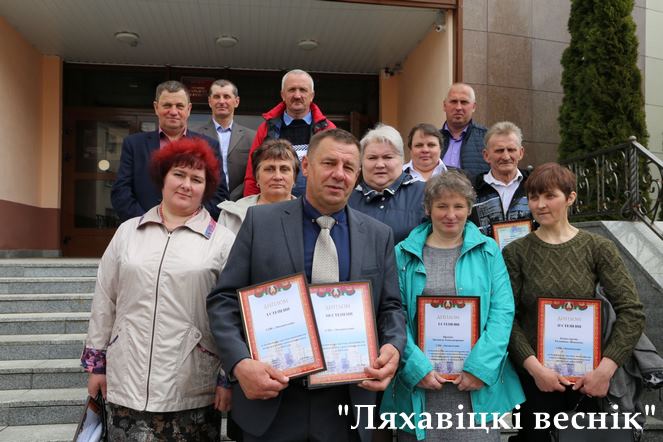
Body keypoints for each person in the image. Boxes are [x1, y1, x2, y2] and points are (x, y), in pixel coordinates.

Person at [207, 128, 406, 442]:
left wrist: (393, 347)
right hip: (273, 403)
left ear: (357, 176)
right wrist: (240, 364)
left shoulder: (378, 235)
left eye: (348, 167)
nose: (339, 174)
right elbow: (224, 300)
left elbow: (391, 307)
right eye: (329, 163)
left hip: (347, 406)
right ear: (307, 166)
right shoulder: (260, 223)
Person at [83, 138, 236, 439]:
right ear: (162, 177)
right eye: (179, 174)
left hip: (192, 386)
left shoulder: (222, 241)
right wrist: (97, 366)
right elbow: (105, 300)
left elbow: (232, 314)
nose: (186, 185)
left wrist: (226, 377)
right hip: (126, 380)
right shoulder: (128, 232)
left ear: (206, 188)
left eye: (197, 179)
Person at [503, 163, 645, 441]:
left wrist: (605, 370)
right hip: (535, 383)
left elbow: (632, 311)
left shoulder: (597, 247)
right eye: (533, 197)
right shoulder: (516, 252)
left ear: (570, 198)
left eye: (550, 196)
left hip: (589, 382)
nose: (540, 205)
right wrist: (535, 369)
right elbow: (506, 317)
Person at [381, 170, 524, 441]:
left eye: (458, 206)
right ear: (428, 209)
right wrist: (416, 367)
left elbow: (502, 312)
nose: (450, 214)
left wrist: (480, 368)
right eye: (442, 206)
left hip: (475, 387)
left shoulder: (489, 250)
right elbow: (395, 314)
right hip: (421, 385)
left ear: (469, 209)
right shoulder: (403, 254)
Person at [111, 80, 229, 221]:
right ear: (156, 108)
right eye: (167, 105)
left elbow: (219, 195)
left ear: (189, 109)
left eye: (179, 106)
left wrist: (190, 222)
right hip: (143, 229)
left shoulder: (209, 146)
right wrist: (147, 222)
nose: (173, 112)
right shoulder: (134, 145)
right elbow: (121, 192)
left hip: (193, 230)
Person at [242, 69, 336, 197]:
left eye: (303, 90)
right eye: (292, 90)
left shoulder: (328, 130)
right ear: (282, 95)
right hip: (273, 205)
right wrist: (249, 205)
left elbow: (334, 172)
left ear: (312, 95)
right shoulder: (266, 129)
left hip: (315, 204)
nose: (297, 95)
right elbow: (252, 175)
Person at [349, 124, 426, 244]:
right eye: (372, 158)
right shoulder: (348, 200)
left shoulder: (424, 194)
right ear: (361, 162)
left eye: (387, 157)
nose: (380, 164)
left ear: (402, 160)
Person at [218, 139, 298, 234]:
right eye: (269, 169)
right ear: (257, 177)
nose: (277, 177)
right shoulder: (231, 215)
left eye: (284, 169)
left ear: (294, 177)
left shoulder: (309, 216)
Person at [470, 121, 532, 237]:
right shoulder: (471, 190)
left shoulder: (534, 185)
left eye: (511, 150)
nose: (506, 156)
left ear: (521, 153)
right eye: (499, 151)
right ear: (486, 155)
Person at [198, 79, 256, 201]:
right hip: (205, 201)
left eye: (226, 96)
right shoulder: (196, 135)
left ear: (236, 101)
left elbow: (255, 172)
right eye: (216, 97)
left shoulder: (252, 137)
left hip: (240, 202)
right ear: (209, 101)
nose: (221, 101)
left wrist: (234, 197)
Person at [440, 83, 489, 181]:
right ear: (444, 106)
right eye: (453, 101)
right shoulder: (432, 140)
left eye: (464, 102)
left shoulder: (487, 139)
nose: (458, 107)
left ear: (474, 107)